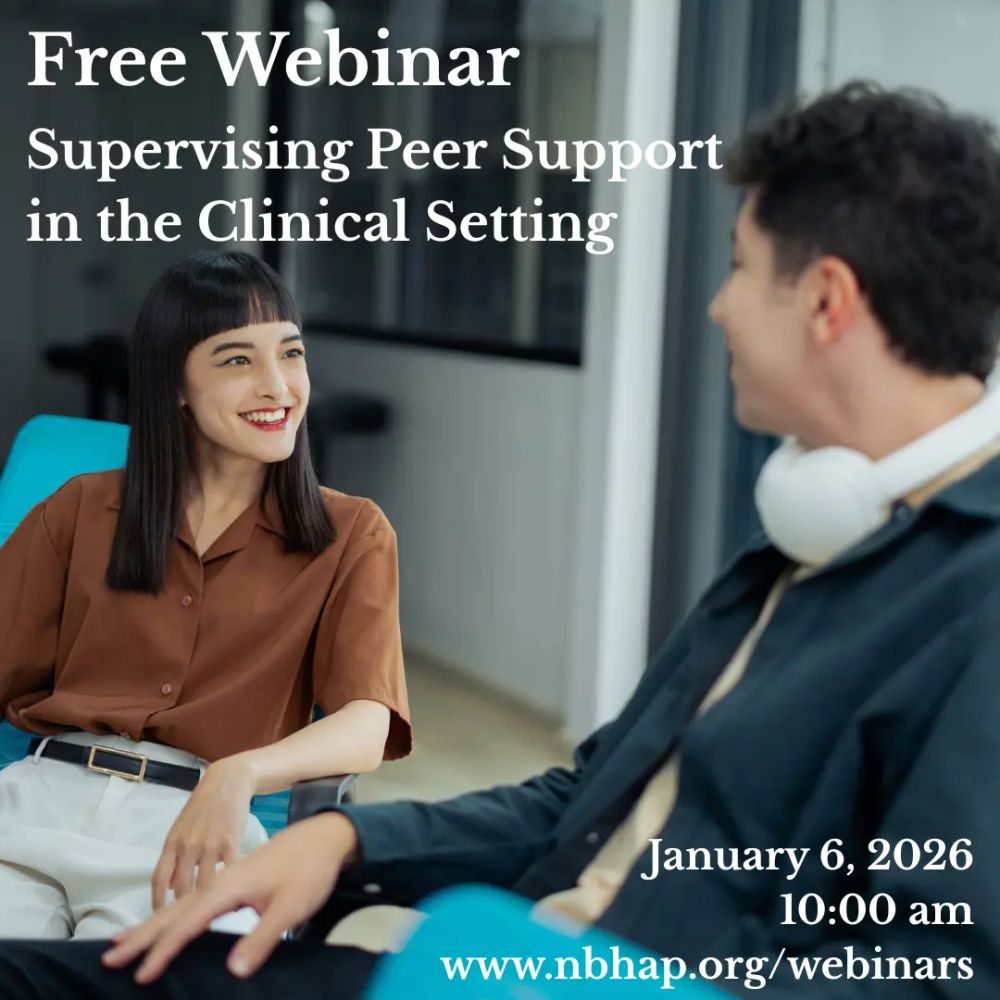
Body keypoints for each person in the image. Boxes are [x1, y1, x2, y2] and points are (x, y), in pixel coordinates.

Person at [3, 80, 1000, 998]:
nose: (716, 305)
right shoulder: (802, 538)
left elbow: (943, 966)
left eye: (738, 268)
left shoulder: (972, 591)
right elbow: (582, 801)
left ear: (824, 301)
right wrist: (347, 837)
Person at [0, 251, 411, 942]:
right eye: (236, 360)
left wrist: (240, 772)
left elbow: (368, 722)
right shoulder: (80, 510)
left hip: (195, 830)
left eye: (291, 353)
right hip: (34, 808)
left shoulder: (352, 534)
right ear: (175, 387)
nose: (278, 385)